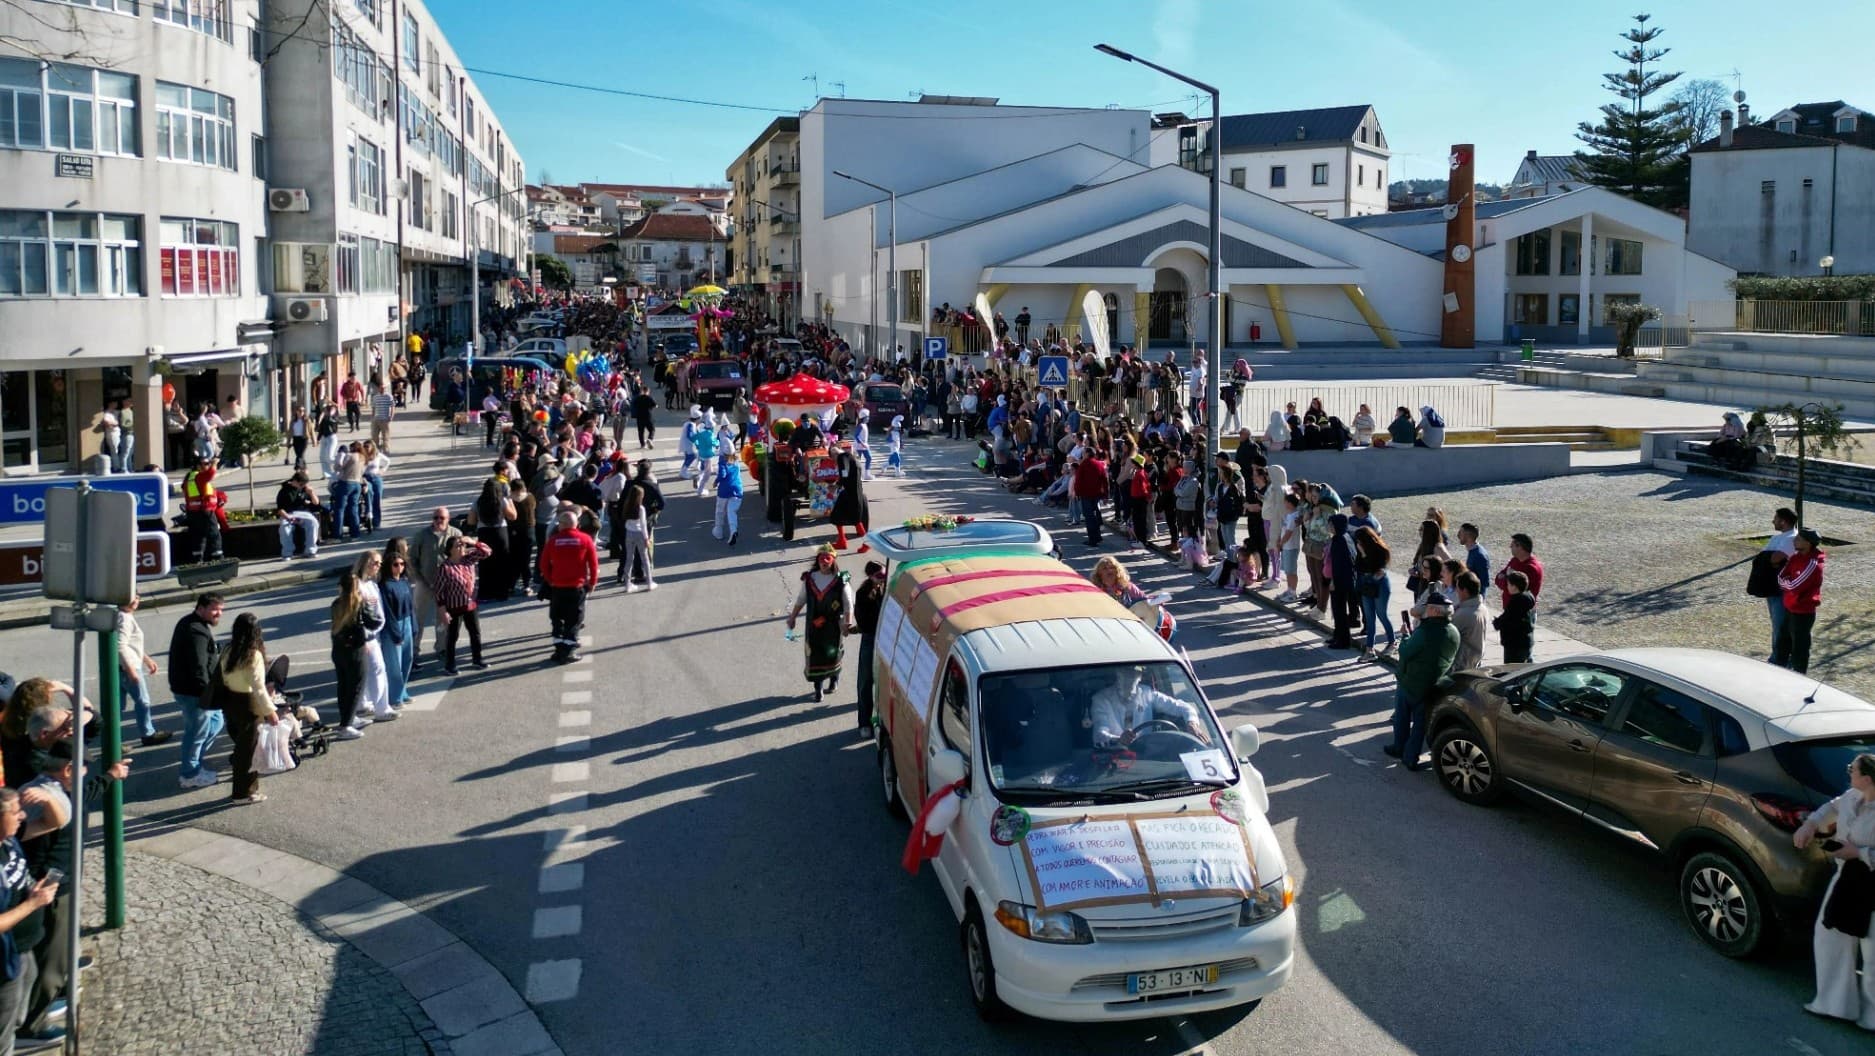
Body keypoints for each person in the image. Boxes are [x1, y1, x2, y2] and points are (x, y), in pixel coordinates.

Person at [1792, 752, 1875, 1030]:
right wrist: (1810, 824)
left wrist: (1859, 853)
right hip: (1847, 878)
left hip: (1871, 883)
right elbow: (1830, 807)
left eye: (1853, 768)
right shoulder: (1852, 796)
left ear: (1867, 778)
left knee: (1873, 952)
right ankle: (1834, 1004)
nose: (1848, 771)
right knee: (1829, 936)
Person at [0, 786, 58, 1056]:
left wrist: (32, 892)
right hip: (4, 960)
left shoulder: (9, 840)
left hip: (22, 948)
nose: (22, 816)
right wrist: (32, 904)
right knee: (4, 1026)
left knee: (19, 1007)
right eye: (16, 812)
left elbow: (53, 822)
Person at [1384, 590, 1459, 771]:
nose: (1426, 611)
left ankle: (1399, 747)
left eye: (1429, 608)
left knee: (1402, 717)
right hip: (1433, 684)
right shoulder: (1454, 632)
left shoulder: (1425, 631)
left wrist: (1405, 636)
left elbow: (1406, 651)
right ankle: (1411, 757)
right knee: (1420, 724)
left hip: (1410, 681)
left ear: (1435, 611)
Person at [214, 613, 278, 804]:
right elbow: (258, 687)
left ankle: (243, 790)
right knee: (250, 752)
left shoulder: (228, 650)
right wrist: (270, 711)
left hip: (231, 702)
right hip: (249, 705)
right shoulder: (253, 655)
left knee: (241, 749)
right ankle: (243, 793)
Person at [784, 546, 855, 703]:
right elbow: (801, 599)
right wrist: (792, 617)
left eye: (828, 558)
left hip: (833, 627)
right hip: (813, 626)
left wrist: (847, 622)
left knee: (833, 654)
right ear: (817, 560)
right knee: (815, 656)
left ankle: (834, 680)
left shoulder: (841, 579)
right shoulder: (810, 579)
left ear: (833, 561)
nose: (824, 561)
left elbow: (848, 603)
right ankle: (818, 689)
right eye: (821, 558)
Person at [169, 593, 225, 788]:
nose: (219, 613)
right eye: (214, 609)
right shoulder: (196, 630)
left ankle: (195, 764)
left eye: (221, 609)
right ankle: (190, 774)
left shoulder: (195, 624)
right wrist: (206, 695)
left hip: (196, 690)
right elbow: (198, 666)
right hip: (195, 693)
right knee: (196, 733)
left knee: (216, 723)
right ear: (200, 608)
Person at [1090, 667, 1205, 749]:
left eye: (1134, 673)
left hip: (1146, 755)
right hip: (1114, 759)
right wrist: (1119, 739)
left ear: (1140, 677)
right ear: (1118, 674)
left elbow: (1183, 707)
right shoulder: (1101, 699)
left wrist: (1192, 724)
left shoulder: (1147, 693)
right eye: (1125, 672)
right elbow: (1099, 735)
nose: (1129, 677)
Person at [539, 510, 599, 664]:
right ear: (576, 524)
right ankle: (569, 651)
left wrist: (550, 580)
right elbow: (593, 564)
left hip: (557, 587)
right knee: (574, 620)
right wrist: (592, 582)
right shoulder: (585, 539)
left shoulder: (553, 540)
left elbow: (543, 564)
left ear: (562, 525)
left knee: (557, 618)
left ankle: (558, 649)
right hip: (577, 587)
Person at [329, 572, 380, 740]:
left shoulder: (336, 604)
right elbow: (374, 621)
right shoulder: (359, 603)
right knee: (356, 687)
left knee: (343, 685)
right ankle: (346, 725)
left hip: (338, 650)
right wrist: (371, 607)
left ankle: (348, 718)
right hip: (356, 650)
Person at [115, 595, 171, 748]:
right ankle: (148, 734)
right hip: (129, 667)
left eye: (137, 597)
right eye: (131, 597)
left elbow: (131, 644)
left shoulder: (123, 615)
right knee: (143, 701)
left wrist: (146, 659)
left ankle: (113, 741)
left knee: (117, 706)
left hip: (121, 667)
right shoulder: (124, 618)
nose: (135, 601)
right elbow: (120, 645)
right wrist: (131, 670)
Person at [409, 507, 461, 665]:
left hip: (447, 584)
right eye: (435, 518)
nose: (438, 521)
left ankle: (442, 648)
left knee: (443, 618)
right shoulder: (421, 535)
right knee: (418, 617)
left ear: (448, 519)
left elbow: (461, 557)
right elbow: (412, 559)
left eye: (442, 518)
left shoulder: (456, 534)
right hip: (424, 582)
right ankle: (413, 650)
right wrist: (419, 579)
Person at [433, 536, 491, 675]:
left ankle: (477, 659)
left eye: (462, 545)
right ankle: (450, 665)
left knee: (475, 633)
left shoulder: (469, 559)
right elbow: (439, 591)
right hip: (454, 607)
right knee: (453, 636)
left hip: (470, 604)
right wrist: (443, 611)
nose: (461, 548)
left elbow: (487, 551)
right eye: (457, 546)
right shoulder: (445, 567)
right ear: (450, 550)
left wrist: (473, 542)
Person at [1773, 527, 1825, 674]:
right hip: (1790, 608)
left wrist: (1787, 583)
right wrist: (1787, 583)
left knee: (1799, 649)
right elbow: (1781, 577)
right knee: (1782, 644)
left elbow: (1794, 586)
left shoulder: (1813, 564)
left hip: (1803, 613)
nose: (1795, 540)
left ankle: (1799, 676)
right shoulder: (1796, 557)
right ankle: (1778, 672)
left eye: (1799, 539)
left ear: (1808, 543)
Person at [1750, 508, 1799, 661]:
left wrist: (1768, 558)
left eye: (1776, 519)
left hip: (1782, 589)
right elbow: (1762, 557)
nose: (1773, 521)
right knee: (1776, 623)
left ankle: (1779, 659)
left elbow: (1775, 558)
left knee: (1780, 624)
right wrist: (1767, 558)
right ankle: (1777, 656)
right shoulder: (1778, 537)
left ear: (1783, 521)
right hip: (1771, 586)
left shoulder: (1791, 538)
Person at [378, 546, 416, 710]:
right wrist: (396, 634)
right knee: (394, 665)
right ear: (389, 566)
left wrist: (413, 625)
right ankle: (394, 697)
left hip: (407, 622)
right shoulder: (385, 585)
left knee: (407, 659)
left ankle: (402, 692)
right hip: (394, 626)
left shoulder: (404, 582)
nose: (399, 567)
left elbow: (411, 606)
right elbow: (388, 612)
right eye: (395, 564)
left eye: (402, 564)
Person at [468, 478, 517, 602]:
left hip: (484, 532)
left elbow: (471, 521)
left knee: (485, 562)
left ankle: (486, 593)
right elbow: (513, 516)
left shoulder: (478, 502)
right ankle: (502, 592)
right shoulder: (502, 500)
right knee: (502, 561)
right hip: (500, 532)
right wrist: (510, 501)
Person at [852, 561, 887, 735]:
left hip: (886, 639)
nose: (883, 579)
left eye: (885, 575)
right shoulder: (863, 594)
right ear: (871, 576)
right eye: (880, 576)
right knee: (866, 681)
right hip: (871, 638)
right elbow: (863, 622)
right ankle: (864, 722)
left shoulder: (886, 589)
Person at [1353, 526, 1395, 660]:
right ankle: (1369, 650)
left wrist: (1364, 554)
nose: (1357, 543)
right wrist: (1362, 553)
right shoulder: (1360, 550)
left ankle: (1392, 642)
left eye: (1359, 541)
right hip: (1366, 583)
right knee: (1369, 617)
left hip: (1380, 584)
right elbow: (1358, 566)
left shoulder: (1380, 550)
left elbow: (1373, 567)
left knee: (1382, 614)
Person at [181, 456, 225, 563]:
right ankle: (217, 558)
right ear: (197, 466)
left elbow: (204, 492)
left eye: (208, 463)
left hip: (193, 512)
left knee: (198, 536)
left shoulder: (190, 478)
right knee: (214, 534)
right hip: (204, 512)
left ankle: (197, 560)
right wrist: (215, 463)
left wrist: (219, 497)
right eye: (205, 464)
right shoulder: (199, 477)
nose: (207, 466)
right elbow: (211, 474)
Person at [275, 470, 323, 559]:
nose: (303, 486)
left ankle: (310, 550)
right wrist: (289, 518)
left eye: (304, 484)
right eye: (301, 484)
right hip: (288, 513)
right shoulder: (284, 491)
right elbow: (280, 509)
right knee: (285, 527)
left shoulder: (305, 489)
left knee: (313, 523)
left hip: (304, 513)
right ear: (295, 481)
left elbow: (316, 503)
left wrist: (311, 493)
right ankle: (287, 553)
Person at [829, 447, 870, 551]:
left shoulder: (842, 457)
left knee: (853, 519)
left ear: (834, 454)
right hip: (855, 492)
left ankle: (866, 543)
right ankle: (842, 541)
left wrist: (836, 485)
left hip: (850, 493)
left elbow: (844, 473)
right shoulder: (853, 457)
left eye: (833, 458)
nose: (834, 461)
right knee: (842, 516)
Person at [617, 484, 656, 591]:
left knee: (629, 559)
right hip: (639, 534)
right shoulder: (641, 508)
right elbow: (643, 525)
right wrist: (646, 538)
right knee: (644, 558)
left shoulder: (627, 506)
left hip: (629, 533)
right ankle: (649, 582)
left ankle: (627, 584)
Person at [1493, 570, 1536, 664]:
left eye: (1508, 584)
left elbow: (1507, 619)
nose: (1507, 586)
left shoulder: (1516, 602)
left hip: (1515, 644)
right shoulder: (1528, 598)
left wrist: (1496, 622)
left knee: (1512, 668)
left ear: (1514, 587)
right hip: (1526, 641)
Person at [1494, 532, 1545, 611]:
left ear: (1520, 547)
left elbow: (1511, 588)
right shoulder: (1515, 560)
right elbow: (1498, 578)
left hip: (1521, 610)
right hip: (1511, 608)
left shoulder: (1531, 568)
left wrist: (1505, 578)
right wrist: (1506, 578)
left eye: (1513, 545)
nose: (1510, 546)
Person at [1450, 572, 1489, 672]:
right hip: (1475, 660)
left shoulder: (1464, 614)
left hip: (1461, 665)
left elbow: (1448, 635)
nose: (1456, 591)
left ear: (1465, 591)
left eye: (1457, 588)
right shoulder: (1482, 608)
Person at [1072, 444, 1109, 546]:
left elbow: (1078, 480)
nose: (1082, 455)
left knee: (1089, 517)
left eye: (1083, 453)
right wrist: (1106, 494)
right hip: (1096, 494)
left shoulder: (1084, 465)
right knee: (1095, 515)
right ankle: (1097, 536)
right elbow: (1105, 480)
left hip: (1086, 494)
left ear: (1087, 454)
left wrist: (1077, 492)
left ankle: (1093, 539)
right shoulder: (1099, 464)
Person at [712, 451, 743, 547]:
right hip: (737, 489)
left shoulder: (723, 461)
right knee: (731, 511)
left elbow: (722, 474)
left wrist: (716, 481)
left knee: (720, 510)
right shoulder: (736, 460)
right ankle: (733, 530)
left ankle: (718, 531)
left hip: (724, 490)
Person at [1458, 522, 1490, 587]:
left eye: (1460, 533)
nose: (1458, 535)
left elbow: (1484, 582)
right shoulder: (1473, 552)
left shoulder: (1479, 556)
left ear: (1468, 536)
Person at [369, 380, 395, 452]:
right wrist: (372, 418)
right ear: (378, 388)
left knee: (385, 436)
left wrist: (391, 416)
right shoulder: (375, 397)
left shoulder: (389, 396)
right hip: (376, 419)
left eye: (383, 388)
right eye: (381, 388)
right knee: (374, 435)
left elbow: (392, 407)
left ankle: (385, 449)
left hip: (385, 419)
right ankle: (376, 449)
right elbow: (373, 408)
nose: (382, 389)